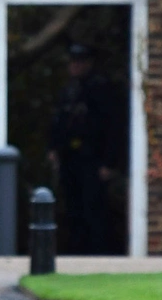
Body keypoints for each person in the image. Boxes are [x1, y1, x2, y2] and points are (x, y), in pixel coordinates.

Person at [47, 43, 120, 254]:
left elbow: (113, 127)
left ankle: (96, 252)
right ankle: (76, 251)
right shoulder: (68, 90)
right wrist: (53, 148)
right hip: (70, 158)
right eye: (72, 62)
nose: (75, 66)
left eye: (79, 62)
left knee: (93, 209)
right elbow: (59, 121)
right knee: (73, 208)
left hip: (93, 158)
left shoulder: (101, 89)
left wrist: (109, 162)